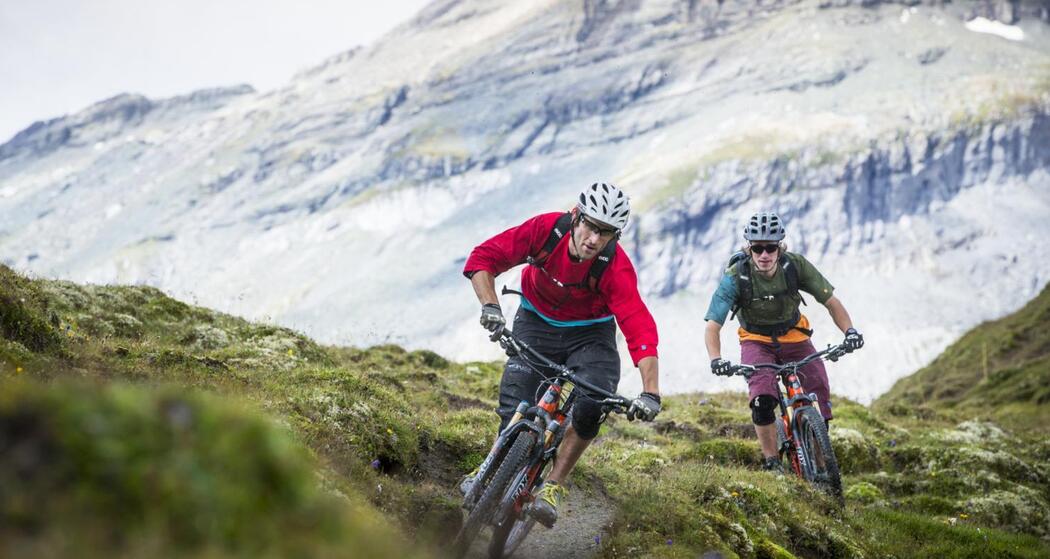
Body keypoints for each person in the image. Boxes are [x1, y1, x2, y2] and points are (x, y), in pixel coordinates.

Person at [462, 182, 661, 527]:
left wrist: (650, 392)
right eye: (591, 226)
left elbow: (638, 326)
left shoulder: (614, 266)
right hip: (536, 321)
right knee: (514, 401)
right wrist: (491, 307)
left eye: (607, 233)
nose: (595, 239)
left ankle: (553, 486)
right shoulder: (545, 231)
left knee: (590, 406)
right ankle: (490, 466)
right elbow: (484, 257)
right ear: (575, 216)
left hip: (591, 336)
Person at [703, 211, 864, 472]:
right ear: (749, 248)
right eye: (757, 248)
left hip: (794, 334)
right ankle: (772, 462)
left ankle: (821, 458)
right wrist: (716, 359)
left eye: (770, 247)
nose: (764, 254)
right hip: (755, 339)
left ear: (780, 247)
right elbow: (713, 326)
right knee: (762, 398)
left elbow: (831, 302)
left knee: (818, 387)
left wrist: (850, 332)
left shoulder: (795, 265)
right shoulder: (736, 276)